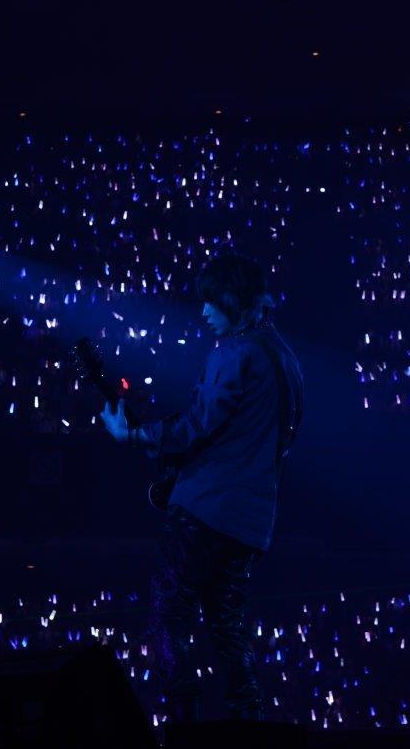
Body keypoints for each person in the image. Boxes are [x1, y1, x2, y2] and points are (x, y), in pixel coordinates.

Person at [100, 250, 304, 722]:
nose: (204, 312)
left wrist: (131, 433)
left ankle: (181, 719)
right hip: (252, 521)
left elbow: (197, 425)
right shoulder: (287, 360)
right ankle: (248, 720)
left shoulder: (238, 352)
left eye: (212, 301)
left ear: (234, 299)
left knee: (166, 618)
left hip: (207, 511)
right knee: (226, 627)